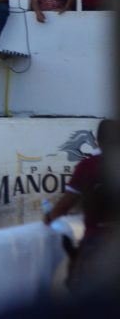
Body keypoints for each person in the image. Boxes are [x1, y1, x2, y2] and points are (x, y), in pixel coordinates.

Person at [45, 119, 117, 292]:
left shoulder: (87, 166)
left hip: (97, 240)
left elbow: (64, 206)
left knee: (80, 284)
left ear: (98, 142)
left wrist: (48, 218)